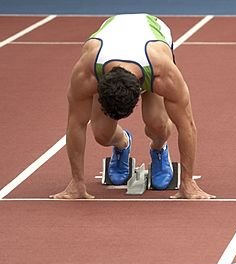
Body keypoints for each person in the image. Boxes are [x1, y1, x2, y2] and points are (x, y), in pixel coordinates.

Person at [52, 13, 212, 200]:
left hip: (150, 44)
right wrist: (77, 183)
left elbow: (187, 125)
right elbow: (76, 124)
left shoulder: (162, 72)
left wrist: (187, 182)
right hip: (111, 48)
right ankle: (122, 144)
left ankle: (159, 149)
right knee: (102, 135)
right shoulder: (86, 73)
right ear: (99, 88)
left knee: (157, 124)